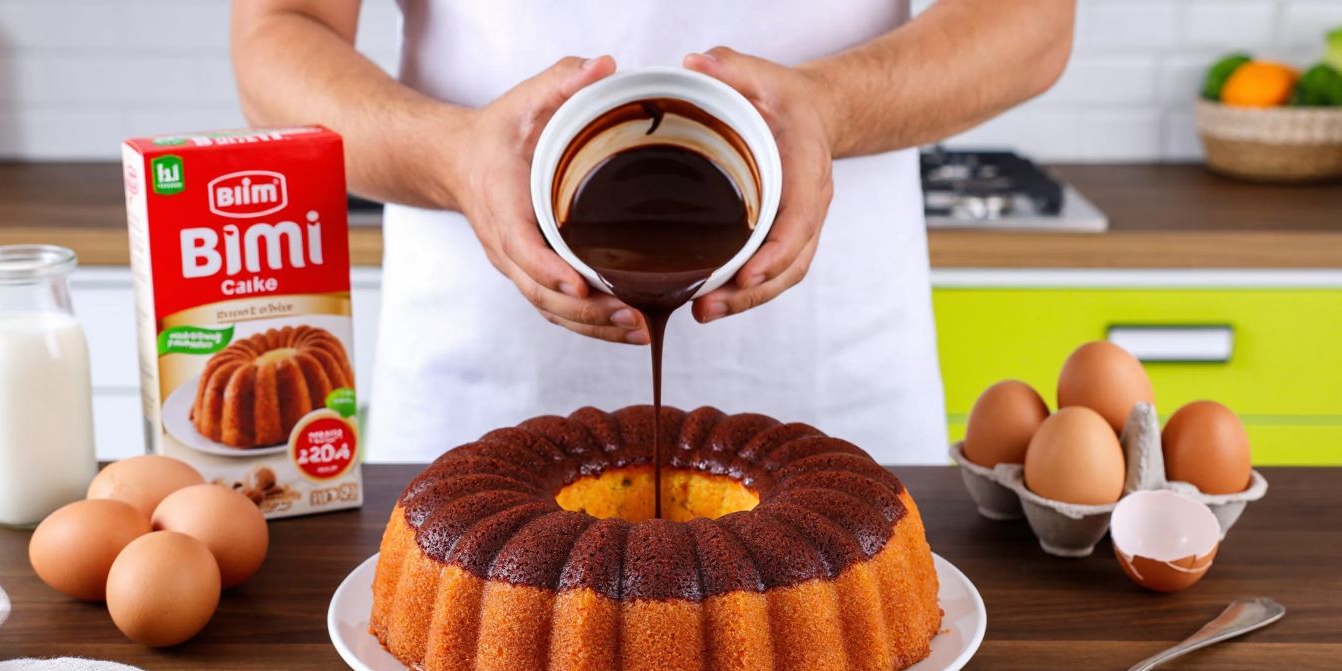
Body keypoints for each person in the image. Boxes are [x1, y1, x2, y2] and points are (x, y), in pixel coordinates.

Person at [230, 0, 1073, 463]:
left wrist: (833, 107)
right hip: (478, 404)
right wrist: (451, 158)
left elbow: (1033, 21)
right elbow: (279, 31)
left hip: (836, 393)